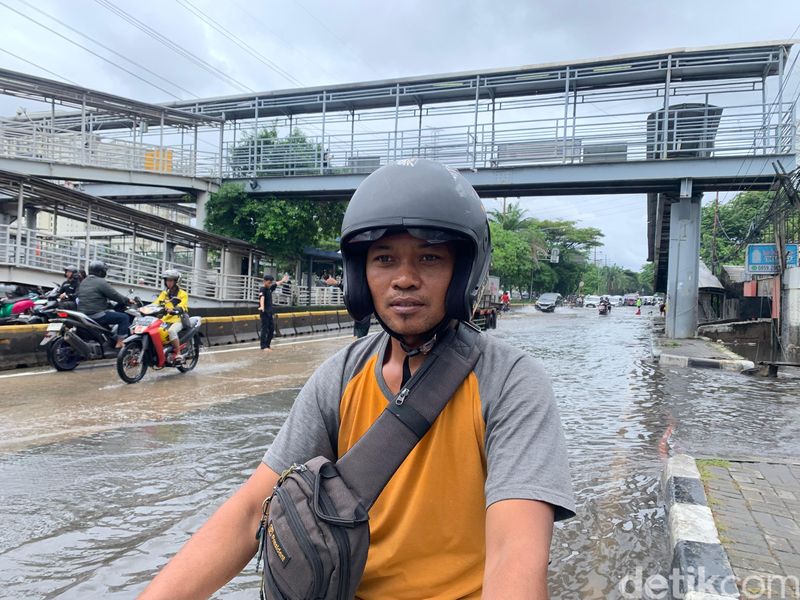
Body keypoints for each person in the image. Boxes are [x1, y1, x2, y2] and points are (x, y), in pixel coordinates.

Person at [139, 159, 575, 599]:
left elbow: (513, 551)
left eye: (429, 257)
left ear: (463, 271)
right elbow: (252, 510)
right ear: (360, 275)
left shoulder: (512, 382)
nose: (404, 279)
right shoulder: (341, 375)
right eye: (384, 259)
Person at [76, 260, 131, 349]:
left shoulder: (84, 281)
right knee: (124, 317)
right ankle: (120, 342)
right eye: (104, 271)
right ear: (100, 271)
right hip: (95, 314)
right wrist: (127, 300)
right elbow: (114, 295)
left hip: (83, 314)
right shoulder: (101, 282)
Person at [155, 269, 189, 364]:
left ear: (176, 281)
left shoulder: (183, 294)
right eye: (167, 280)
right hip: (165, 319)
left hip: (178, 319)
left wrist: (175, 310)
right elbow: (156, 303)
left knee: (171, 331)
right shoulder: (164, 293)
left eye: (170, 280)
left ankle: (178, 353)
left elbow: (183, 306)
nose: (168, 282)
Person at [325, 273, 372, 338]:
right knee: (358, 339)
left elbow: (352, 291)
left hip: (362, 319)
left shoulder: (364, 287)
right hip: (360, 319)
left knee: (358, 340)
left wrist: (337, 283)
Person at [259, 273, 289, 351]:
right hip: (264, 312)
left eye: (270, 283)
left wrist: (282, 280)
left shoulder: (269, 289)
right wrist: (262, 306)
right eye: (269, 283)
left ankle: (268, 345)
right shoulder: (262, 289)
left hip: (270, 313)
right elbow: (262, 298)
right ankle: (263, 346)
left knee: (272, 330)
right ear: (264, 281)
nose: (270, 284)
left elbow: (277, 283)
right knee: (264, 329)